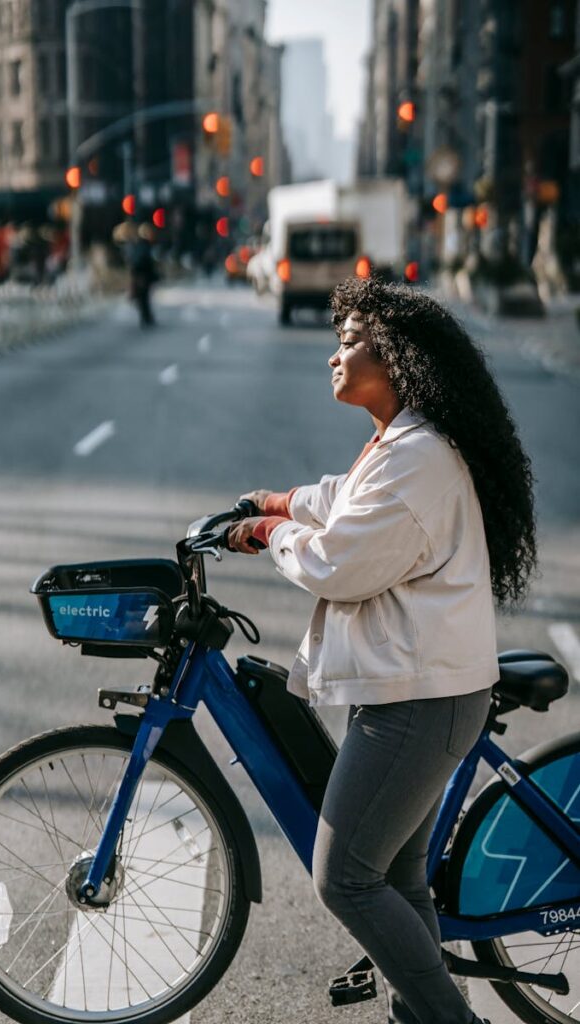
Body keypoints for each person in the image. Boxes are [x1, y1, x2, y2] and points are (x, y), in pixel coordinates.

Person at [227, 277, 537, 1024]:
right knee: (396, 881)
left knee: (345, 879)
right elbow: (343, 499)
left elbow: (339, 560)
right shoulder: (402, 443)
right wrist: (278, 502)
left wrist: (269, 534)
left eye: (349, 342)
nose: (333, 356)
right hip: (415, 693)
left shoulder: (418, 458)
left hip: (417, 704)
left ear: (394, 357)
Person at [129, 223, 159, 327]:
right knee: (144, 299)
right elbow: (146, 263)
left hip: (140, 276)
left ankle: (146, 317)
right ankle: (146, 317)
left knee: (143, 299)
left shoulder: (139, 246)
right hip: (143, 276)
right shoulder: (145, 247)